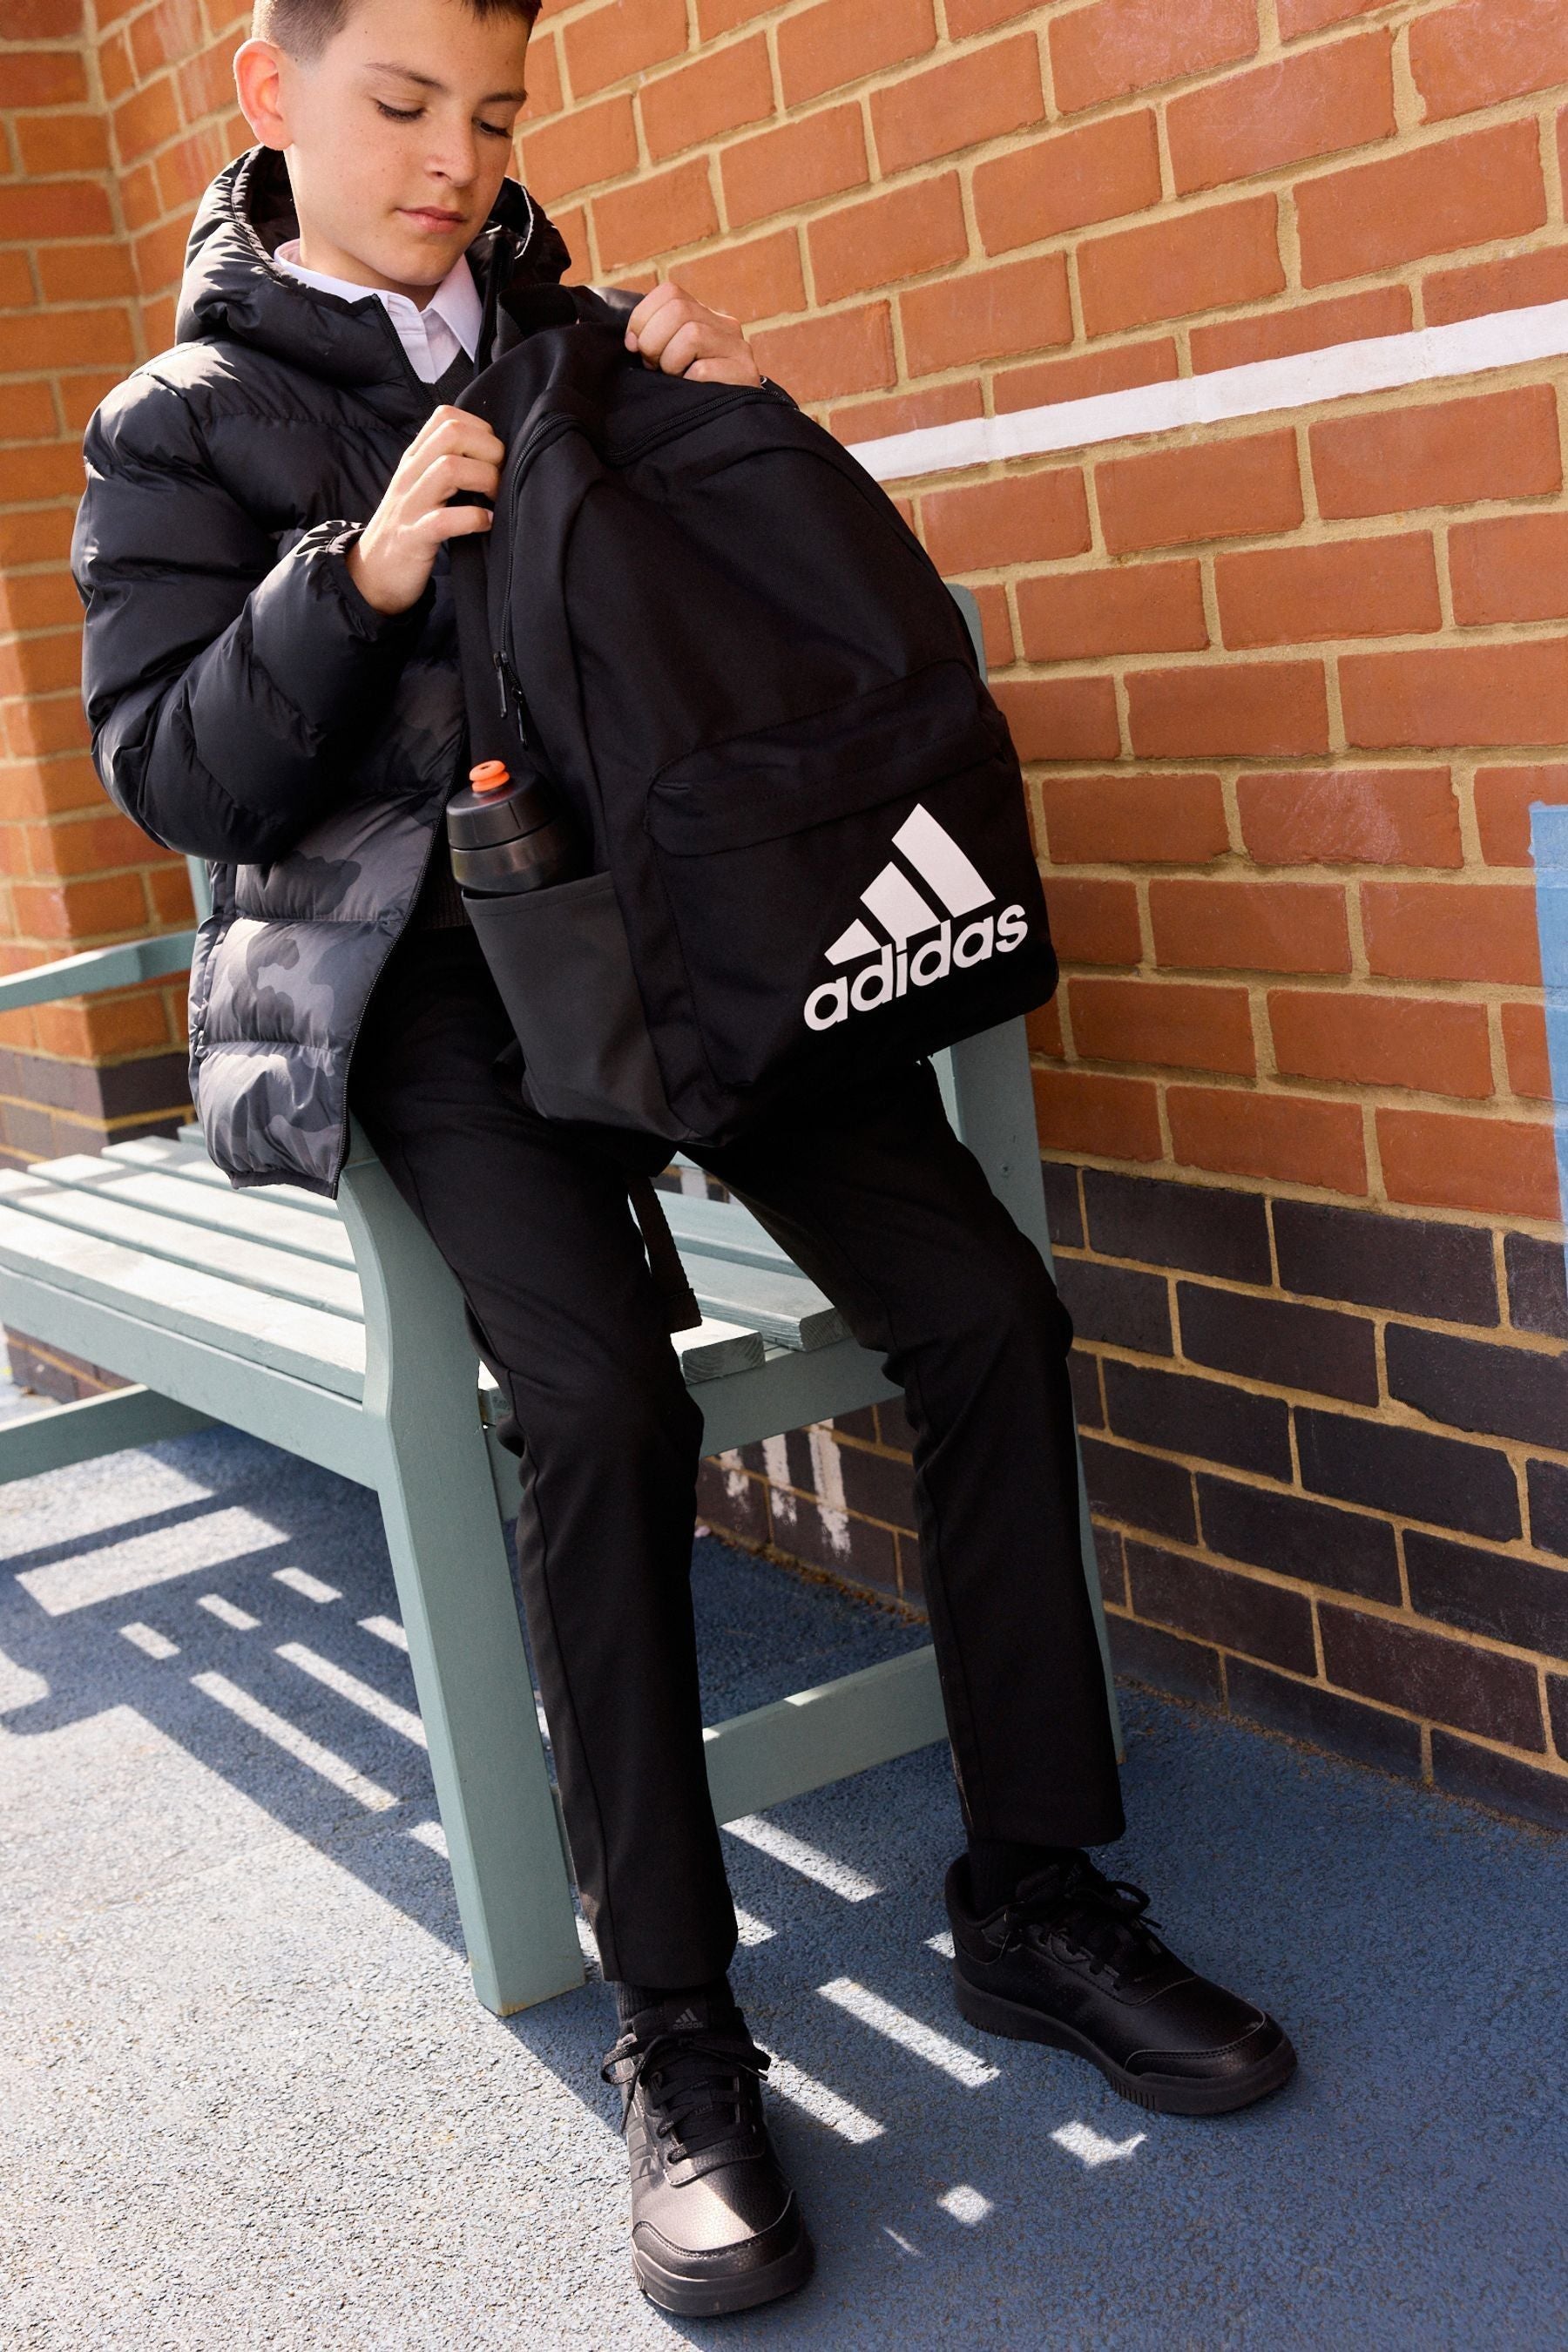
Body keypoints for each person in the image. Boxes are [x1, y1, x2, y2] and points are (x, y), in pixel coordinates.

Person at [71, 0, 1296, 2316]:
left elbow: (751, 649)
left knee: (987, 1311)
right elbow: (177, 775)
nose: (455, 159)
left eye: (496, 114)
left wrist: (732, 425)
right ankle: (683, 2030)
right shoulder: (178, 426)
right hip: (428, 994)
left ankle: (1033, 1894)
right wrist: (350, 583)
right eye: (401, 105)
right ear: (272, 94)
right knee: (606, 1403)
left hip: (689, 943)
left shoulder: (585, 340)